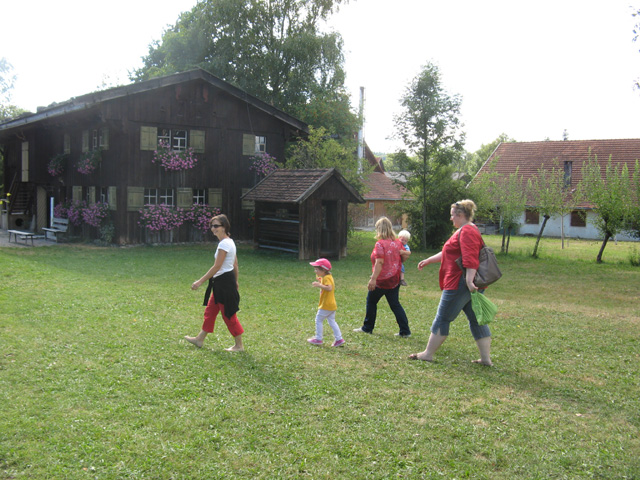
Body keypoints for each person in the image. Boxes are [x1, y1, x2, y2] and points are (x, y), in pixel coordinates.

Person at [410, 200, 493, 366]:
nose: (451, 218)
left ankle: (427, 354)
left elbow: (470, 257)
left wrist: (469, 280)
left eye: (452, 215)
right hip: (467, 284)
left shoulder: (467, 231)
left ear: (460, 215)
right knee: (476, 319)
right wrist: (429, 260)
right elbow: (450, 252)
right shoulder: (467, 229)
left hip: (459, 283)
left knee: (443, 318)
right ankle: (485, 359)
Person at [185, 214, 244, 352]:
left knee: (229, 315)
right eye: (212, 226)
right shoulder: (230, 242)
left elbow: (217, 266)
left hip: (224, 284)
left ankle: (239, 345)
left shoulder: (224, 244)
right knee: (210, 312)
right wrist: (235, 281)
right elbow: (235, 264)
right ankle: (199, 339)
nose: (213, 228)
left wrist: (200, 282)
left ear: (224, 227)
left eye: (216, 226)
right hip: (222, 283)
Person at [354, 216, 411, 337]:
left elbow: (379, 262)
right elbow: (405, 256)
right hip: (394, 280)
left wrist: (373, 279)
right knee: (395, 304)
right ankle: (405, 331)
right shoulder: (397, 243)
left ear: (380, 229)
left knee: (371, 301)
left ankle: (367, 327)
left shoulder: (380, 244)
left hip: (381, 280)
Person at [307, 258, 345, 347]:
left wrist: (319, 285)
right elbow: (326, 284)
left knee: (318, 320)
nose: (315, 271)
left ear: (323, 270)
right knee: (332, 321)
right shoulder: (327, 277)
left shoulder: (327, 278)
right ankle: (339, 339)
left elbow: (329, 288)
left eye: (316, 269)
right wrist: (320, 281)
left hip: (326, 305)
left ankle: (318, 338)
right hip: (331, 304)